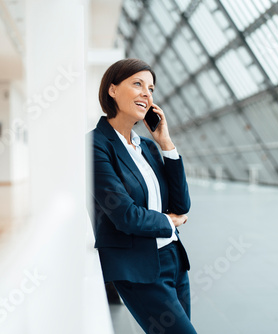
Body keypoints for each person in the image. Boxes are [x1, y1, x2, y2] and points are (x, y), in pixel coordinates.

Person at [89, 58, 197, 334]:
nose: (146, 94)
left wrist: (166, 144)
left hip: (173, 259)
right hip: (139, 268)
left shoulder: (147, 147)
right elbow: (126, 216)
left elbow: (181, 205)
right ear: (112, 89)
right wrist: (170, 222)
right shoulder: (95, 145)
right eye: (137, 84)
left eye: (151, 88)